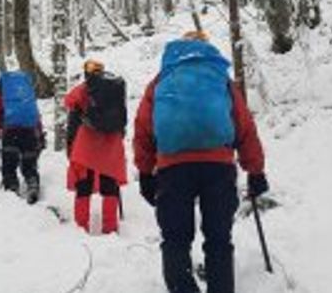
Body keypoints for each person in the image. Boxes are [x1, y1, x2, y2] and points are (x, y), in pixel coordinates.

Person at [133, 31, 268, 293]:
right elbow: (244, 127)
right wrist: (255, 170)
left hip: (173, 170)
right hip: (218, 167)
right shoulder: (221, 80)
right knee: (219, 239)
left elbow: (143, 130)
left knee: (175, 240)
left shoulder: (161, 81)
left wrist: (146, 172)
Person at [64, 59, 128, 234]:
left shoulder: (86, 88)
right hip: (112, 143)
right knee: (109, 185)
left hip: (88, 143)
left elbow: (69, 101)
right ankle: (110, 227)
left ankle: (81, 226)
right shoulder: (115, 88)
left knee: (84, 184)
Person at [0, 71, 44, 204]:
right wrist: (39, 133)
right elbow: (35, 114)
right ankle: (32, 184)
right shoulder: (27, 93)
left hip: (10, 132)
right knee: (29, 163)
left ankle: (12, 188)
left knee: (9, 164)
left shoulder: (0, 94)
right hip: (29, 131)